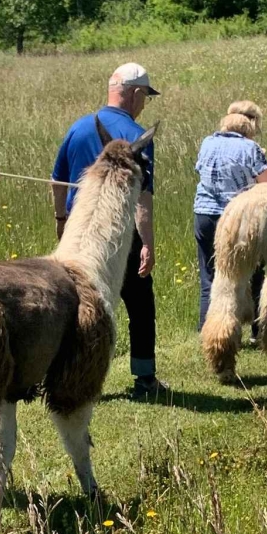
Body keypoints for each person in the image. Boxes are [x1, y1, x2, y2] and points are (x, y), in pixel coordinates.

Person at [52, 62, 167, 399]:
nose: (144, 103)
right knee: (139, 304)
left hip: (77, 233)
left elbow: (56, 180)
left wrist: (61, 221)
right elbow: (142, 196)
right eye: (145, 96)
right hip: (118, 236)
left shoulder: (78, 128)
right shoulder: (136, 137)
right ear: (134, 93)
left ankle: (66, 372)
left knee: (73, 304)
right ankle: (144, 377)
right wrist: (146, 241)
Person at [194, 101, 267, 335]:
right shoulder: (250, 148)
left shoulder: (207, 142)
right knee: (253, 273)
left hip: (204, 214)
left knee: (210, 277)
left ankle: (208, 329)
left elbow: (201, 170)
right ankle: (257, 328)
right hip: (238, 217)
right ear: (249, 128)